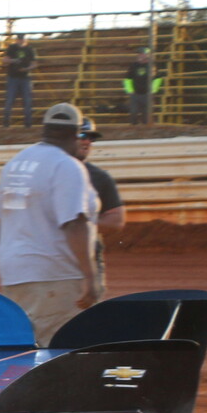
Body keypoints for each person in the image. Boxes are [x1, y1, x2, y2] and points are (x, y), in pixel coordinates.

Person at [0, 103, 101, 343]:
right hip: (54, 273)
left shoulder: (15, 164)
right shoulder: (67, 166)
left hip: (14, 273)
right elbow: (74, 223)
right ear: (76, 134)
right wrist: (90, 277)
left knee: (28, 345)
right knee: (63, 348)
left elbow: (3, 216)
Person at [74, 116, 125, 301]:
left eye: (91, 137)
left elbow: (116, 220)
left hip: (89, 257)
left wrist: (79, 227)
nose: (87, 141)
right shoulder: (47, 172)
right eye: (82, 135)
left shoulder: (100, 177)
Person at [2, 39, 37, 127]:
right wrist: (14, 61)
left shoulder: (29, 49)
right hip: (12, 77)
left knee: (27, 101)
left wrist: (26, 69)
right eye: (20, 40)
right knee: (9, 101)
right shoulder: (12, 48)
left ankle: (28, 123)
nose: (21, 42)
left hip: (25, 77)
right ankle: (6, 122)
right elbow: (5, 60)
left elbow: (34, 64)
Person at [124, 49, 159, 126]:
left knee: (146, 114)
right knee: (133, 112)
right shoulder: (134, 66)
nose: (141, 56)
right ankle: (134, 126)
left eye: (143, 54)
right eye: (140, 54)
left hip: (147, 93)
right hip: (135, 93)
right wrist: (130, 90)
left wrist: (153, 90)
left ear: (147, 55)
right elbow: (127, 79)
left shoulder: (151, 66)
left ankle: (146, 128)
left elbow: (157, 79)